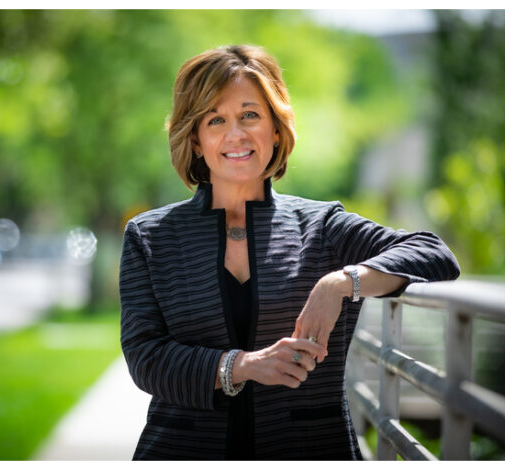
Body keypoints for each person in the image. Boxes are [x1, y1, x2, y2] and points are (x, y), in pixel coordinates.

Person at [119, 44, 460, 460]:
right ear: (195, 139)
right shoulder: (150, 237)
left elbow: (433, 253)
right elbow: (145, 358)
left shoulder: (322, 226)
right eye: (215, 119)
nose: (236, 134)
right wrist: (243, 365)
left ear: (276, 129)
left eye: (250, 115)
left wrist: (341, 283)